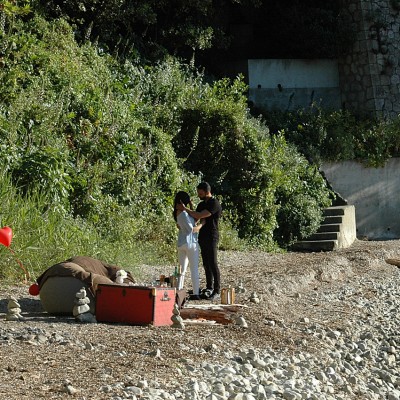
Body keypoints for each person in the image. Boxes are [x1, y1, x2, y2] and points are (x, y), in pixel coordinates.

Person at [179, 182, 222, 300]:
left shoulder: (214, 203)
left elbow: (201, 214)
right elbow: (195, 218)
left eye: (200, 192)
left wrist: (185, 208)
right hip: (202, 236)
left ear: (206, 191)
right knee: (206, 263)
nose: (199, 195)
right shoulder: (202, 204)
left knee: (213, 262)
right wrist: (189, 207)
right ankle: (209, 287)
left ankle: (217, 290)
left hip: (212, 236)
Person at [173, 191, 201, 300]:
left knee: (182, 269)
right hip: (190, 243)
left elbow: (193, 219)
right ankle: (196, 293)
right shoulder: (183, 213)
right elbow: (191, 229)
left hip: (181, 243)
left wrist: (190, 206)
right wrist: (201, 226)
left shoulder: (178, 212)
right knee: (194, 268)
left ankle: (178, 291)